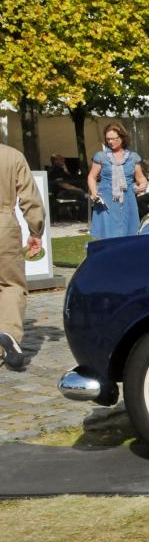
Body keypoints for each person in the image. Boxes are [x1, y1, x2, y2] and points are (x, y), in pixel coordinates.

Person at [0, 144, 44, 371]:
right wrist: (36, 230)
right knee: (11, 284)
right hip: (4, 225)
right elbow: (30, 198)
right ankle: (8, 332)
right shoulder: (12, 155)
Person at [86, 122, 148, 240]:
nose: (110, 142)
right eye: (108, 139)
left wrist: (143, 185)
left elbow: (141, 178)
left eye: (114, 139)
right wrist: (94, 192)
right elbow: (91, 177)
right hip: (107, 201)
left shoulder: (133, 157)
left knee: (129, 235)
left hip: (128, 200)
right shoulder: (101, 156)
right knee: (109, 235)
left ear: (122, 138)